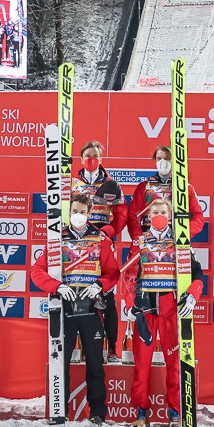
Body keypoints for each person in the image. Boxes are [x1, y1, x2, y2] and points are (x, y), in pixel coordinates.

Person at [30, 193, 119, 425]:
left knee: (95, 364)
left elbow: (113, 272)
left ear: (89, 213)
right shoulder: (57, 238)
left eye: (82, 212)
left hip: (91, 307)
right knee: (60, 363)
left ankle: (98, 414)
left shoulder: (100, 239)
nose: (78, 215)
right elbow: (37, 272)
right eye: (75, 211)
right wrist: (57, 287)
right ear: (68, 212)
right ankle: (60, 412)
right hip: (65, 308)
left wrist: (99, 285)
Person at [123, 198, 204, 427]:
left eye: (163, 212)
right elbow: (129, 275)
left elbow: (197, 274)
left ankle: (175, 413)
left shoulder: (180, 241)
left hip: (170, 309)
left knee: (174, 365)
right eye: (155, 212)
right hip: (146, 310)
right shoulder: (140, 242)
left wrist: (193, 295)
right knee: (141, 366)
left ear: (170, 216)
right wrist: (130, 304)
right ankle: (141, 413)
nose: (159, 216)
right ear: (148, 217)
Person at [71, 141, 127, 363]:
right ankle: (78, 349)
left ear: (101, 159)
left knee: (107, 298)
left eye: (95, 155)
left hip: (102, 241)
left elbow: (121, 215)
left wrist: (108, 232)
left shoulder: (111, 183)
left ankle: (112, 349)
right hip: (77, 242)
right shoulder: (72, 183)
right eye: (87, 155)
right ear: (81, 158)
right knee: (77, 293)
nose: (91, 159)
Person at [127, 146, 205, 241]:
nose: (163, 162)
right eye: (159, 159)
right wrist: (138, 238)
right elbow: (132, 216)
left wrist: (184, 235)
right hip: (148, 240)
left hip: (175, 240)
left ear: (174, 161)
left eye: (167, 159)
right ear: (155, 160)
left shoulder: (185, 187)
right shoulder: (144, 186)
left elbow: (197, 217)